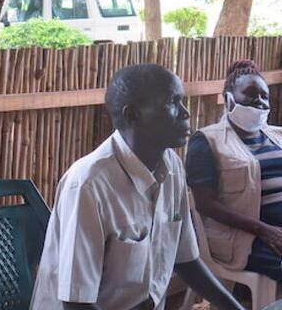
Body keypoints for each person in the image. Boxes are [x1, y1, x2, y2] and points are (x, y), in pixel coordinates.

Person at [31, 64, 244, 310]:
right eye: (172, 102)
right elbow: (76, 303)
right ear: (132, 115)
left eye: (182, 101)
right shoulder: (89, 185)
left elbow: (186, 260)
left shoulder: (172, 167)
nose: (186, 113)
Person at [186, 59, 282, 281]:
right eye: (250, 94)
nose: (259, 101)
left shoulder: (278, 135)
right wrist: (264, 230)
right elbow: (205, 203)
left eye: (264, 96)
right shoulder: (207, 141)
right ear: (229, 99)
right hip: (247, 238)